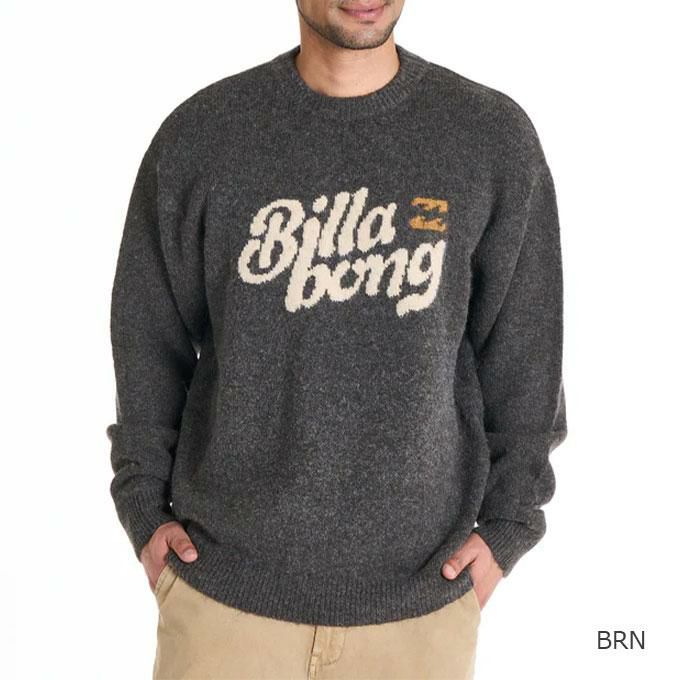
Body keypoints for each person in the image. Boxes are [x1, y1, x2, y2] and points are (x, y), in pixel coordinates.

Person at [106, 1, 568, 678]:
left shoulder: (490, 138)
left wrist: (507, 528)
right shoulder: (203, 135)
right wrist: (145, 508)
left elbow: (525, 357)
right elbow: (147, 336)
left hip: (420, 611)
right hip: (221, 604)